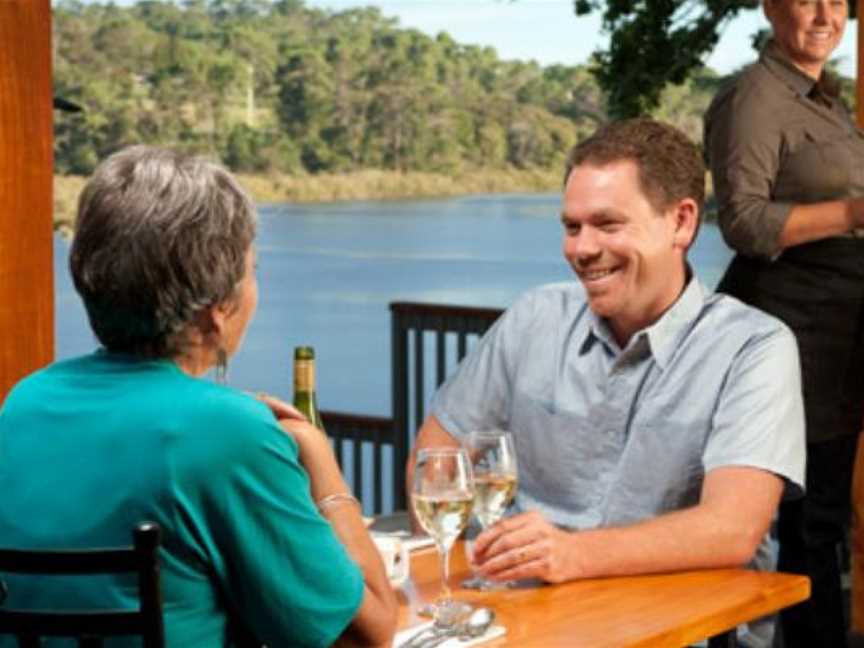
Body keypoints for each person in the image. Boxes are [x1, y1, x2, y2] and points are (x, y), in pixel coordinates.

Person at [407, 118, 805, 647]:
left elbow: (732, 529)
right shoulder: (533, 319)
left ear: (681, 223)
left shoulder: (754, 348)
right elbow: (435, 456)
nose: (581, 249)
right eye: (572, 228)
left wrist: (570, 555)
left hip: (684, 632)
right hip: (528, 624)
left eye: (607, 225)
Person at [0, 146, 397, 647]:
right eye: (252, 270)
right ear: (217, 309)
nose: (255, 286)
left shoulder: (26, 403)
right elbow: (366, 634)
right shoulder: (226, 432)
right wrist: (319, 459)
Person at [703, 1, 864, 645]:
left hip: (839, 339)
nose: (826, 15)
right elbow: (742, 221)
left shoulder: (827, 99)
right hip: (790, 335)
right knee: (804, 527)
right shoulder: (753, 98)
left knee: (822, 525)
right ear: (772, 7)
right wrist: (852, 211)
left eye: (838, 2)